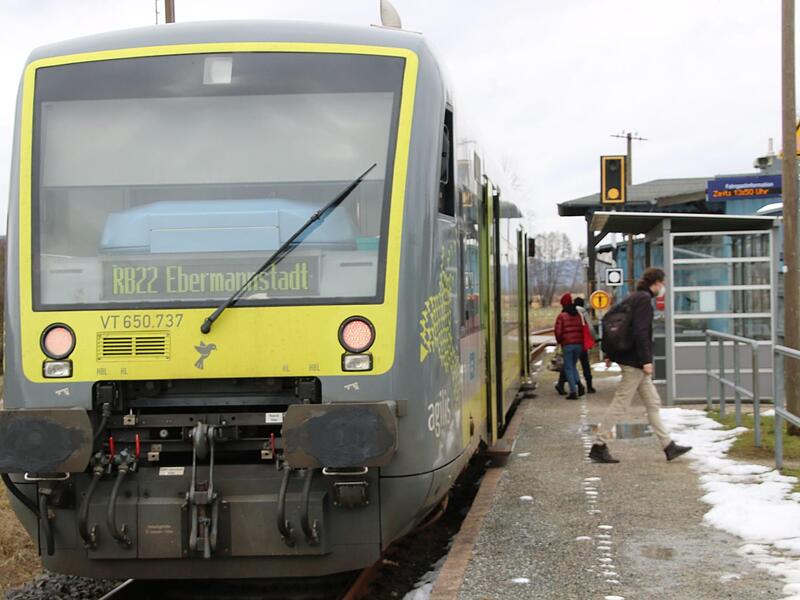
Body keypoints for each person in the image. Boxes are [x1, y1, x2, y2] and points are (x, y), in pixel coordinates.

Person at [589, 268, 692, 463]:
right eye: (662, 283)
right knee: (621, 402)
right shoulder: (644, 300)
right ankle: (599, 444)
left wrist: (611, 352)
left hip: (630, 358)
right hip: (634, 362)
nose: (663, 287)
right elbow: (640, 332)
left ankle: (668, 446)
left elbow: (615, 323)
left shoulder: (633, 297)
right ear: (656, 283)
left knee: (652, 402)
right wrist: (646, 360)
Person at [556, 297, 596, 395]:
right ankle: (589, 386)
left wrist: (560, 341)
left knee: (569, 365)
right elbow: (589, 327)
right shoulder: (581, 313)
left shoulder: (564, 312)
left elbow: (559, 330)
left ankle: (565, 386)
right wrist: (593, 339)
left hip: (568, 343)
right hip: (581, 342)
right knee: (584, 364)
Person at [554, 293, 584, 400]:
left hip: (567, 345)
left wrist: (560, 341)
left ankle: (573, 392)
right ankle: (579, 384)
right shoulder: (578, 314)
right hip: (579, 345)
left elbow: (558, 332)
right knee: (572, 366)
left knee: (568, 367)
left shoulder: (562, 316)